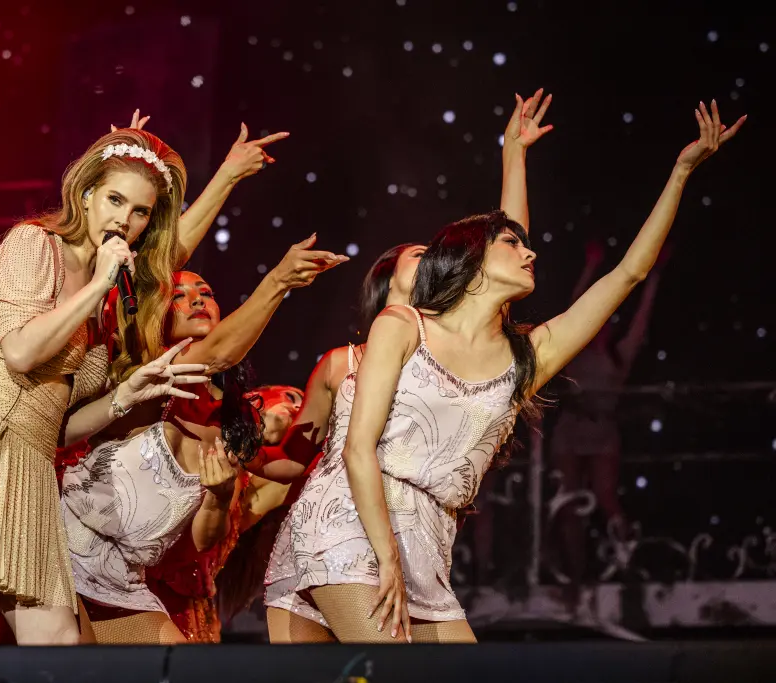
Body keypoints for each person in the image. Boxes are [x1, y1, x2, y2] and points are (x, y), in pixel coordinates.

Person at [266, 100, 744, 643]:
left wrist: (681, 172)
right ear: (470, 263)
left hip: (430, 537)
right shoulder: (402, 325)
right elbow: (357, 448)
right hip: (353, 520)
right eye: (514, 245)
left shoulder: (526, 358)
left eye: (526, 245)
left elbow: (628, 273)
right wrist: (387, 557)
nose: (531, 253)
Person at [0, 129, 210, 645]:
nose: (124, 221)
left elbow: (57, 426)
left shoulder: (106, 296)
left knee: (60, 642)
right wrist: (97, 285)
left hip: (34, 470)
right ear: (85, 194)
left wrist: (126, 394)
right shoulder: (35, 244)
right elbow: (21, 352)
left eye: (140, 211)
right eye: (114, 200)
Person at [262, 88, 554, 642]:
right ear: (388, 279)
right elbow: (301, 456)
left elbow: (505, 249)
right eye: (419, 254)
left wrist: (513, 156)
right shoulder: (343, 362)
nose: (438, 257)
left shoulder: (452, 337)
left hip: (423, 538)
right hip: (342, 525)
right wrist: (242, 461)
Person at [61, 246, 346, 644]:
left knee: (178, 668)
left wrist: (334, 385)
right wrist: (279, 280)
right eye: (177, 296)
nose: (196, 300)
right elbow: (215, 355)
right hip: (63, 550)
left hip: (121, 576)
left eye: (206, 293)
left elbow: (286, 466)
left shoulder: (232, 421)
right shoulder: (149, 374)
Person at [549, 239, 668, 612]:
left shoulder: (619, 355)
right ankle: (575, 576)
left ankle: (627, 569)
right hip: (571, 432)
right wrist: (590, 266)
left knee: (606, 499)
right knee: (569, 504)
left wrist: (654, 277)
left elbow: (642, 319)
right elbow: (572, 310)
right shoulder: (575, 350)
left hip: (601, 434)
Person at [145, 385, 305, 642]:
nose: (294, 408)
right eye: (291, 398)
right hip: (137, 584)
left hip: (182, 608)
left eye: (302, 408)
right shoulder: (203, 429)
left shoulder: (272, 485)